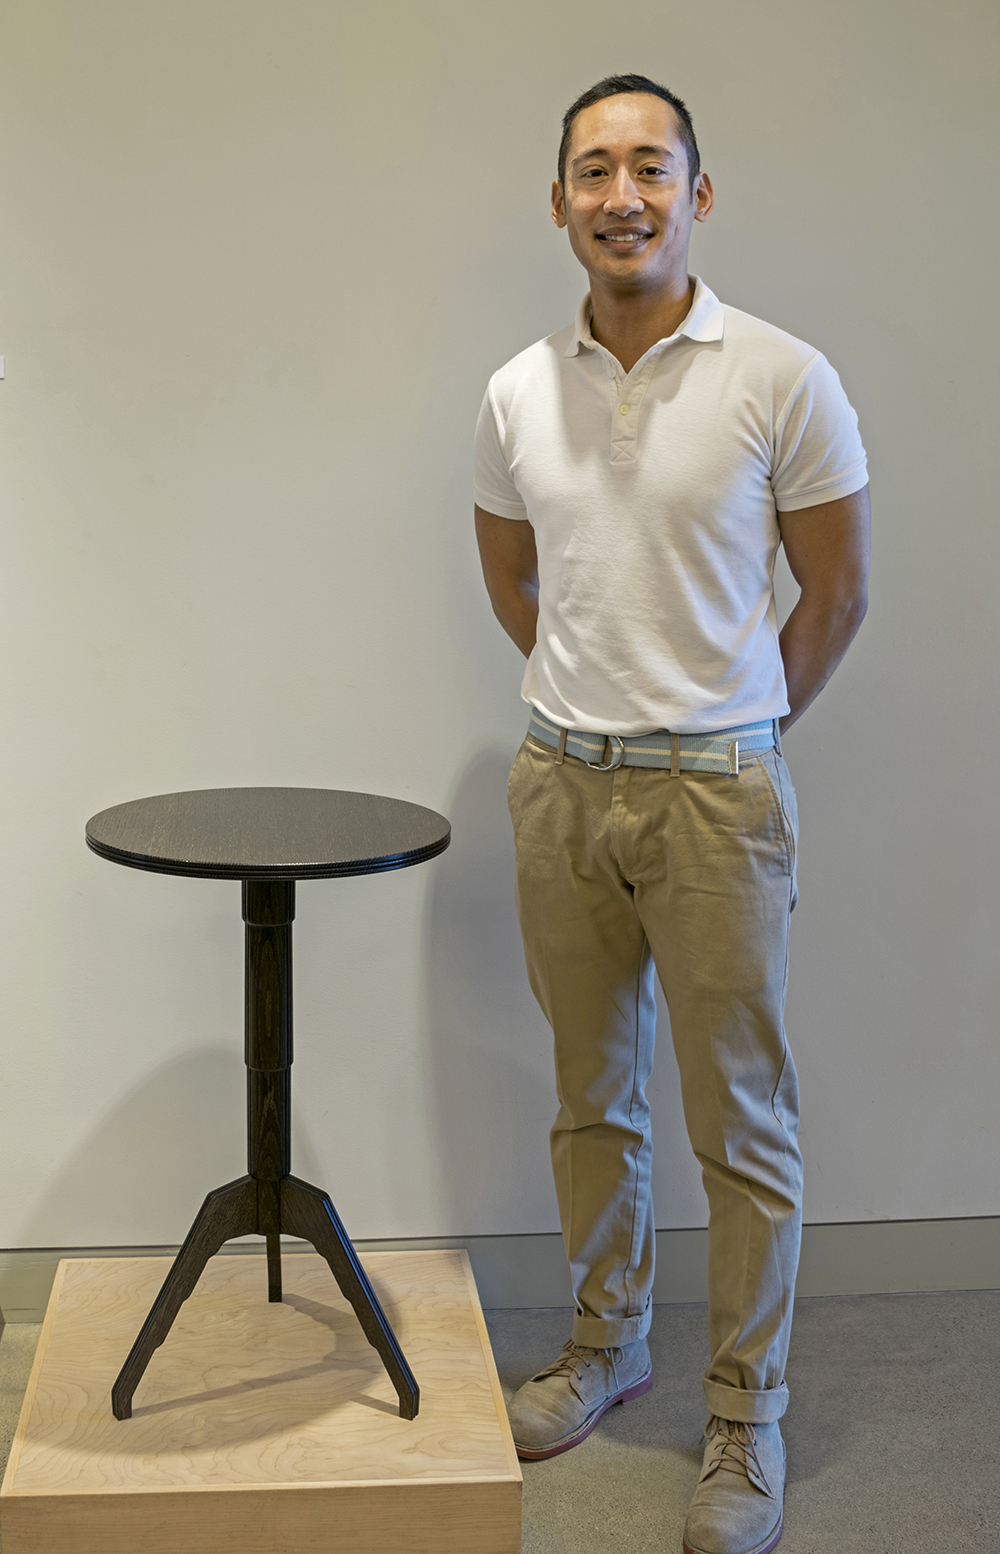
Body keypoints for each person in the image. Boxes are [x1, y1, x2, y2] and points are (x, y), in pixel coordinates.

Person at [473, 73, 870, 1554]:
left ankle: (746, 1408)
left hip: (719, 799)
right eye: (593, 170)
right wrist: (597, 704)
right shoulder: (520, 387)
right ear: (561, 199)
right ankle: (607, 1343)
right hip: (561, 784)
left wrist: (731, 726)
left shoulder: (782, 375)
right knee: (595, 1099)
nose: (621, 194)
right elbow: (515, 578)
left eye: (651, 167)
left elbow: (837, 593)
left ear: (698, 194)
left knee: (741, 1123)